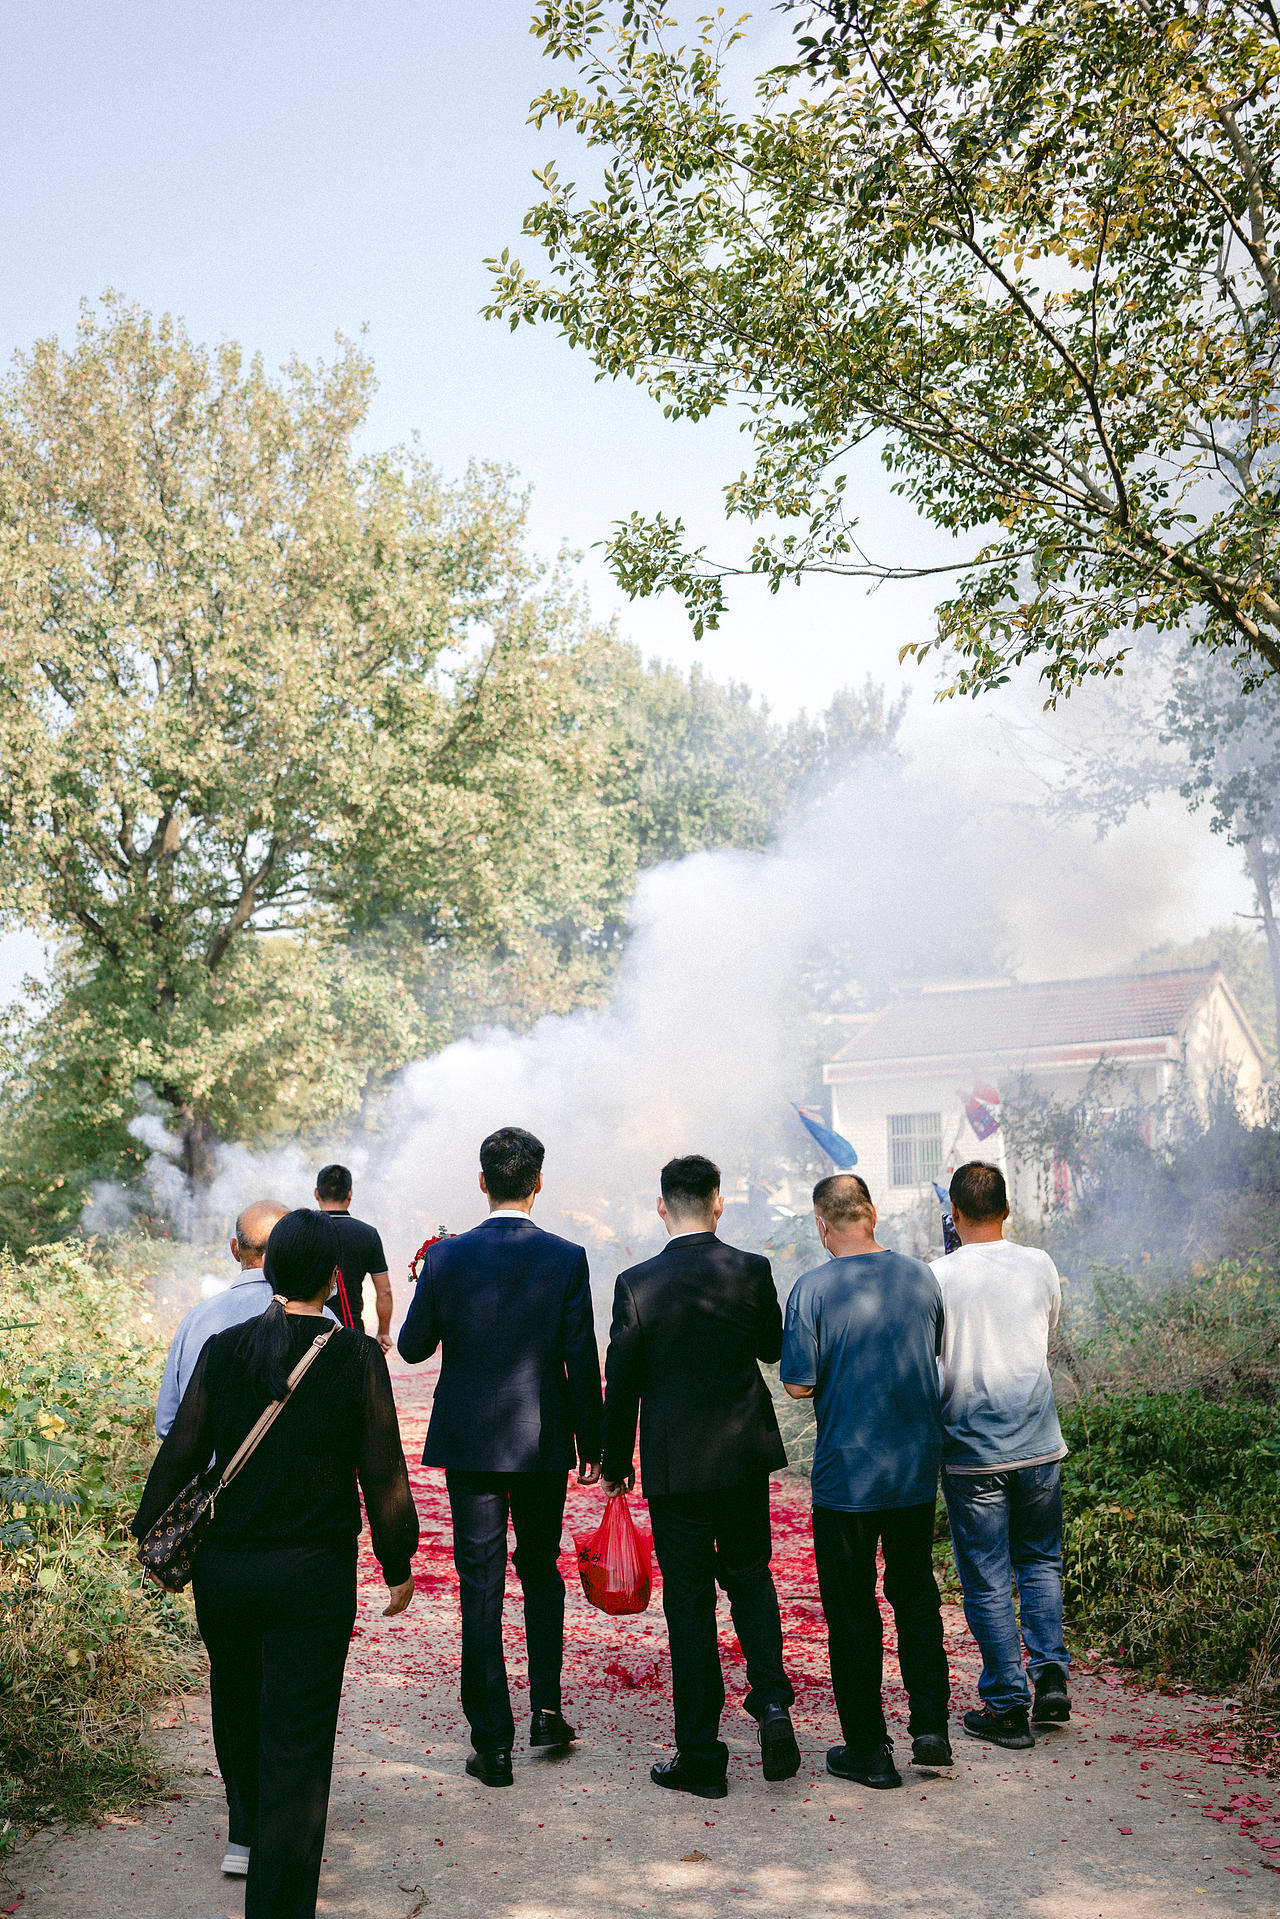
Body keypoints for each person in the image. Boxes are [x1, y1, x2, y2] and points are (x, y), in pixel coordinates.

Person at [132, 1210, 419, 1915]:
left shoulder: (226, 1348)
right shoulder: (355, 1357)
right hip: (312, 1577)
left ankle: (245, 1829)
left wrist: (147, 1532)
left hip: (225, 1572)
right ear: (334, 1278)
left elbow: (179, 1450)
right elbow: (383, 1472)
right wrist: (397, 1560)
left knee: (236, 1699)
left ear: (266, 1269)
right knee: (298, 1738)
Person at [397, 1126, 602, 1787]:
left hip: (472, 1445)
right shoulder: (567, 1257)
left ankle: (494, 1741)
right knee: (541, 1571)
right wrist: (592, 1445)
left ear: (482, 1182)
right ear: (538, 1182)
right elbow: (580, 1356)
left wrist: (428, 1274)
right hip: (542, 1442)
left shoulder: (447, 1258)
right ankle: (546, 1707)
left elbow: (411, 1346)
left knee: (480, 1585)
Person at [601, 1153, 799, 1801]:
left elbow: (621, 1384)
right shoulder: (751, 1269)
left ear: (662, 1207)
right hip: (743, 1458)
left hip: (675, 1467)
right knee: (750, 1577)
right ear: (719, 1202)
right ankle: (772, 1705)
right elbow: (773, 1348)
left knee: (689, 1603)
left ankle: (702, 1757)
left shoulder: (637, 1283)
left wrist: (614, 1463)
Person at [780, 1173, 951, 1790]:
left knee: (851, 1611)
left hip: (847, 1474)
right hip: (913, 1468)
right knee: (915, 1594)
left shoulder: (812, 1288)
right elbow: (932, 1349)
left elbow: (797, 1383)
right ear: (872, 1214)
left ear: (822, 1225)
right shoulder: (922, 1277)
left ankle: (869, 1751)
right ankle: (932, 1729)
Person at [933, 1159, 1070, 1751]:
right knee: (1039, 1561)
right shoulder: (1039, 1264)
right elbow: (1049, 1337)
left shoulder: (936, 1275)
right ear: (1008, 1210)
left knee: (987, 1579)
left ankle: (1009, 1706)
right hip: (1039, 1443)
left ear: (954, 1214)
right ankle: (1051, 1674)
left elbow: (930, 1356)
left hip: (972, 1454)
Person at [155, 1202, 289, 1439]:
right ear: (289, 1249)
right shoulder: (322, 1320)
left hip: (211, 1474)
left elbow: (167, 1425)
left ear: (234, 1249)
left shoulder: (195, 1320)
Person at [314, 1162, 394, 1351]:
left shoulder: (300, 1230)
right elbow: (384, 1291)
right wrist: (383, 1332)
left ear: (317, 1193)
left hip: (309, 1329)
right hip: (351, 1329)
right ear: (349, 1193)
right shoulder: (367, 1234)